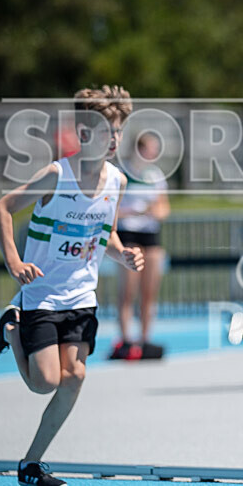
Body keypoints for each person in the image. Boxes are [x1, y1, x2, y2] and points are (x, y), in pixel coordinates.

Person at [0, 86, 144, 486]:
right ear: (85, 134)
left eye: (119, 131)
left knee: (76, 377)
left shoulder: (117, 181)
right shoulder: (56, 175)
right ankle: (11, 327)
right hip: (39, 296)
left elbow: (105, 233)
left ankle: (30, 464)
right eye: (108, 131)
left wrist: (123, 254)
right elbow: (1, 208)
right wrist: (15, 262)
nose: (115, 140)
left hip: (81, 297)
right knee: (44, 383)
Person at [110, 132, 170, 360]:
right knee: (127, 291)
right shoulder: (123, 174)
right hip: (127, 233)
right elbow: (112, 209)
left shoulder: (155, 176)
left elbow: (163, 208)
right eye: (148, 149)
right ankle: (126, 338)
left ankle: (145, 339)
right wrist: (136, 211)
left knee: (149, 291)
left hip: (150, 234)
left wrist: (152, 211)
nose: (152, 155)